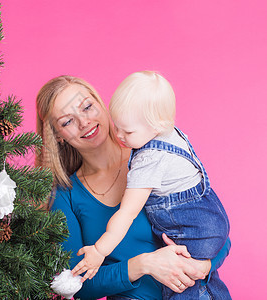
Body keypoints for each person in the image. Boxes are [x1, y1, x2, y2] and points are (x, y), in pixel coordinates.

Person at [35, 75, 231, 300]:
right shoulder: (65, 195)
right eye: (67, 121)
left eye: (87, 107)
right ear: (57, 136)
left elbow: (215, 230)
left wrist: (204, 266)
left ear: (101, 104)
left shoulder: (155, 158)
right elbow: (74, 282)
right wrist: (143, 265)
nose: (84, 122)